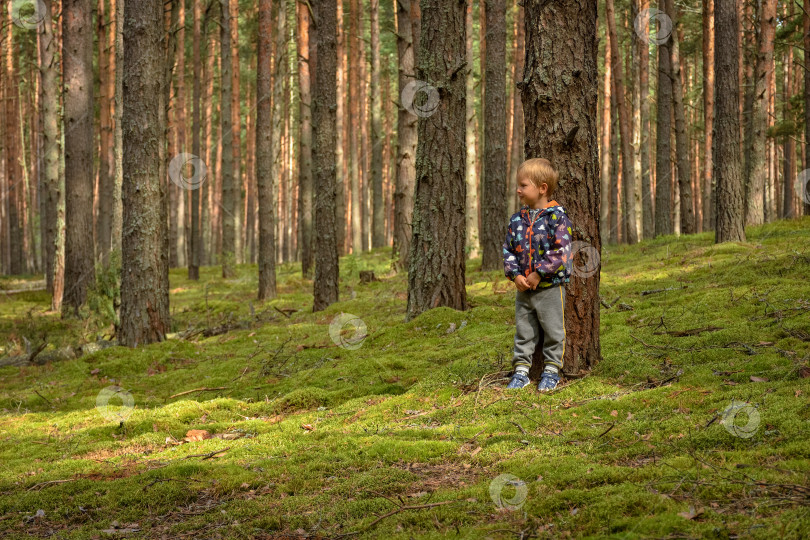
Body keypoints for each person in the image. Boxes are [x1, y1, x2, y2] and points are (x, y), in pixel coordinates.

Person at [502, 158, 573, 392]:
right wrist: (515, 276)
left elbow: (561, 251)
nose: (518, 190)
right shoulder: (517, 220)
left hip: (550, 288)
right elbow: (508, 250)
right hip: (524, 290)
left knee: (553, 330)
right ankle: (521, 371)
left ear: (542, 188)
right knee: (524, 331)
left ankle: (552, 371)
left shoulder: (556, 217)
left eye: (523, 185)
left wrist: (539, 273)